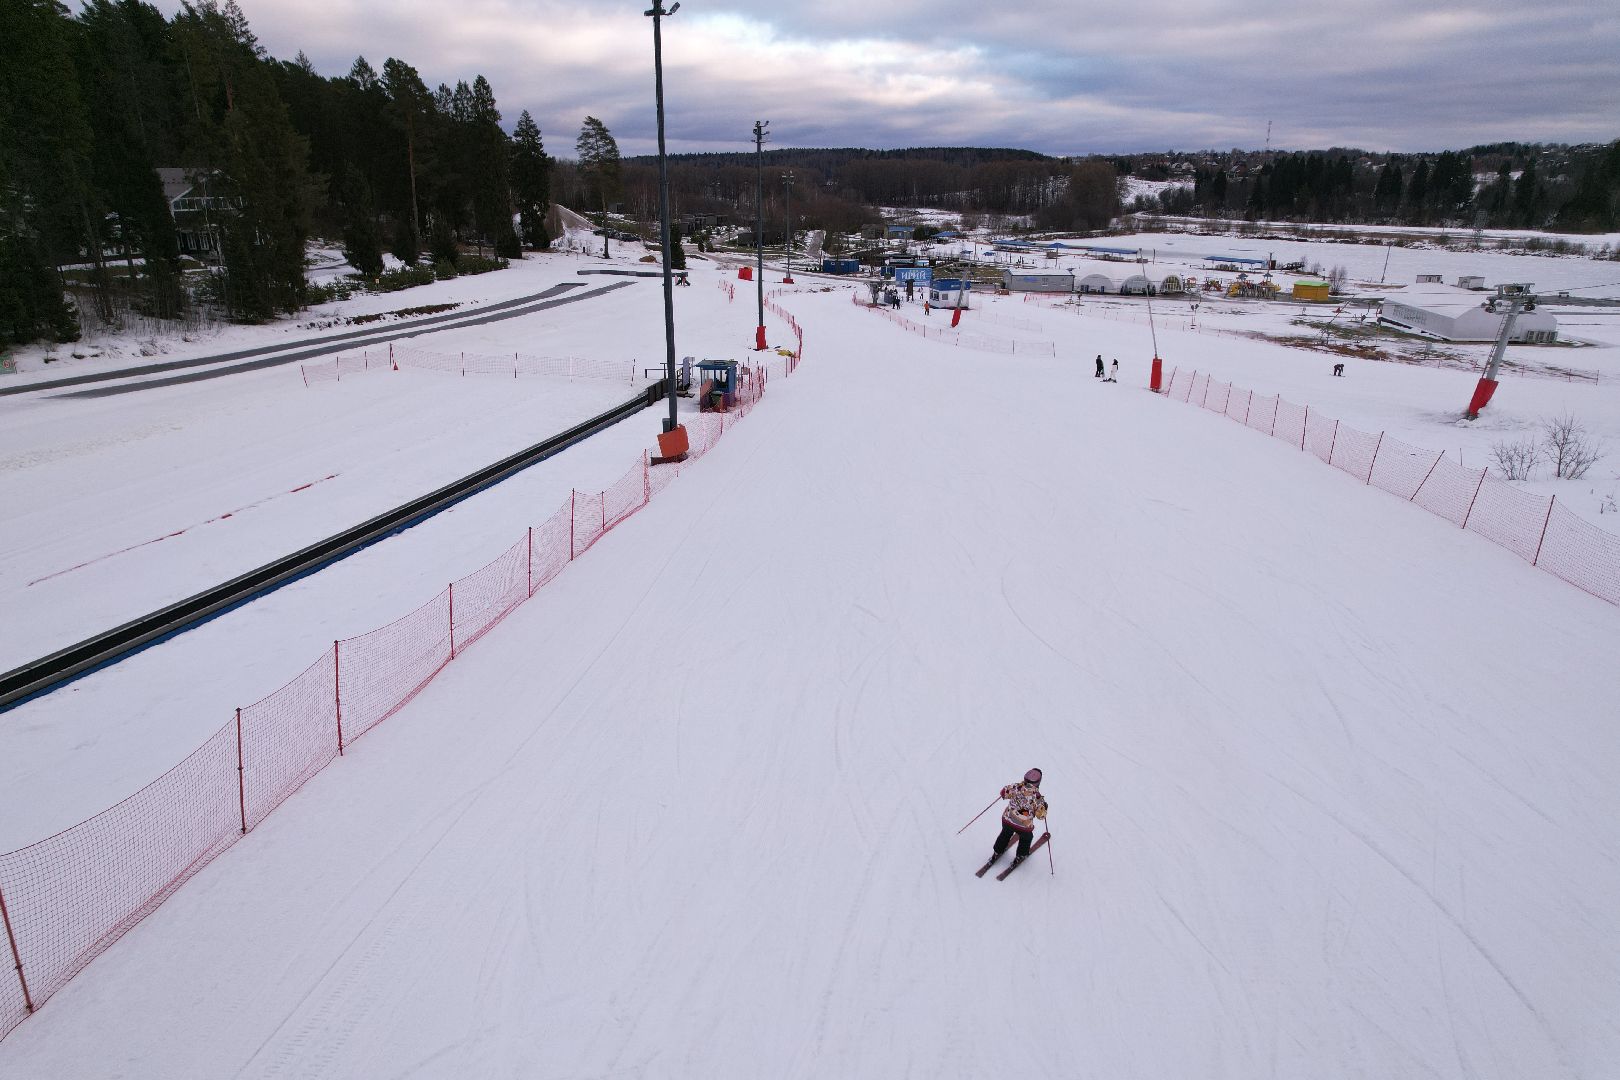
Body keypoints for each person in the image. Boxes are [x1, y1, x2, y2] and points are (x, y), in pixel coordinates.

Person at [980, 768, 1048, 875]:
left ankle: (997, 851)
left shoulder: (1017, 787)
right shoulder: (1037, 797)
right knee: (1027, 838)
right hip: (1023, 827)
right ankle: (1021, 854)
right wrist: (1044, 808)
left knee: (1005, 834)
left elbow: (1004, 792)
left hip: (1008, 820)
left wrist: (1007, 792)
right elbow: (1041, 815)